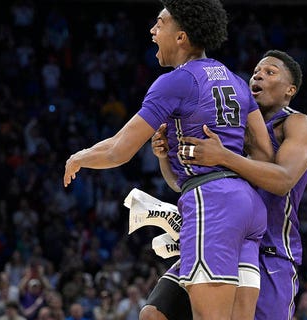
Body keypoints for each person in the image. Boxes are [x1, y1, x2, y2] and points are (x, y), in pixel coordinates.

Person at [63, 0, 274, 319]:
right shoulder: (235, 80)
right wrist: (169, 157)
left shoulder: (177, 81)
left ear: (181, 37)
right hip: (247, 208)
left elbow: (119, 149)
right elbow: (264, 155)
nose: (152, 30)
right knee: (156, 314)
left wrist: (79, 156)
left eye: (160, 24)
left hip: (212, 205)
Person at [141, 50, 307, 320]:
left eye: (270, 72)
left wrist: (224, 156)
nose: (258, 75)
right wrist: (164, 158)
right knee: (154, 314)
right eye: (257, 71)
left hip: (270, 250)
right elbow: (183, 184)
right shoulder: (231, 125)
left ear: (290, 90)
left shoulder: (297, 124)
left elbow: (282, 181)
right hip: (221, 237)